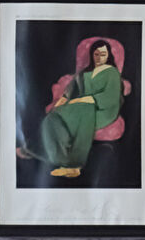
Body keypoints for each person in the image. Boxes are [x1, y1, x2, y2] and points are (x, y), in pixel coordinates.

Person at [17, 40, 123, 179]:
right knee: (53, 117)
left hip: (103, 110)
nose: (99, 57)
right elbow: (72, 88)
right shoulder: (86, 72)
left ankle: (74, 166)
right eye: (96, 54)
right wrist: (63, 99)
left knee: (85, 110)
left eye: (103, 54)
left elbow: (110, 97)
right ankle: (50, 155)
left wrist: (87, 99)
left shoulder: (112, 73)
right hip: (79, 106)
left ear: (108, 55)